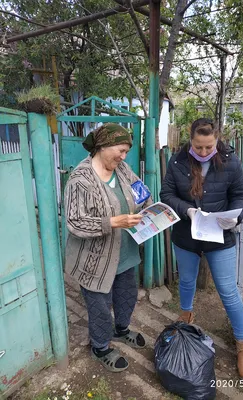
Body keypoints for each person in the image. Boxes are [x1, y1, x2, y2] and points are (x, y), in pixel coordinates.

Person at [160, 118, 243, 380]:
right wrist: (187, 210)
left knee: (227, 290)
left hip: (219, 235)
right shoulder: (178, 161)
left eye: (208, 147)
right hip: (186, 235)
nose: (203, 152)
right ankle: (185, 320)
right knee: (186, 281)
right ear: (190, 140)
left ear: (217, 140)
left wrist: (236, 216)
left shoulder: (230, 161)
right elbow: (166, 194)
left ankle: (242, 344)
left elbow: (240, 194)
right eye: (198, 147)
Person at [64, 123, 151, 372]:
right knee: (100, 305)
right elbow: (75, 222)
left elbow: (142, 194)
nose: (123, 157)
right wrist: (114, 222)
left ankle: (121, 330)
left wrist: (151, 210)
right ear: (103, 145)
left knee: (126, 295)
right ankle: (100, 347)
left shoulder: (122, 170)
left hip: (124, 253)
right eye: (120, 151)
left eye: (126, 152)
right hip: (95, 259)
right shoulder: (81, 180)